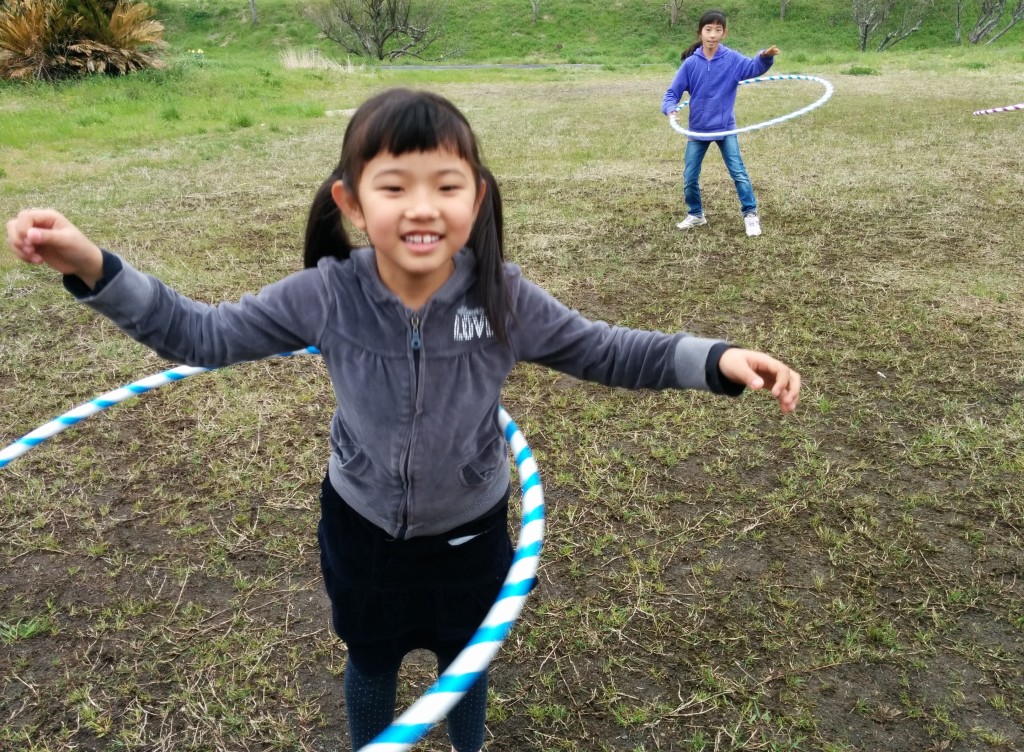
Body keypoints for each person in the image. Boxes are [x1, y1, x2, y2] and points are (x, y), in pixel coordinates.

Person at [6, 87, 800, 752]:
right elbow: (200, 335)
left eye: (446, 185)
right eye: (394, 186)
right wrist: (90, 265)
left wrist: (717, 359)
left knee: (466, 663)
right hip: (362, 532)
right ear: (351, 201)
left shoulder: (503, 298)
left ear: (476, 196)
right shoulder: (327, 294)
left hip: (472, 532)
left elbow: (607, 350)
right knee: (372, 659)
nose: (423, 208)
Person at [661, 9, 780, 238]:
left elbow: (753, 68)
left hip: (726, 129)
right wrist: (670, 109)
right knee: (690, 176)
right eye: (708, 30)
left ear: (724, 33)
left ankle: (750, 214)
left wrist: (765, 57)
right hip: (697, 130)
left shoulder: (732, 60)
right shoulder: (690, 64)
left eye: (717, 30)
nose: (712, 34)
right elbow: (671, 93)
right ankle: (696, 214)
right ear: (700, 33)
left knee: (738, 172)